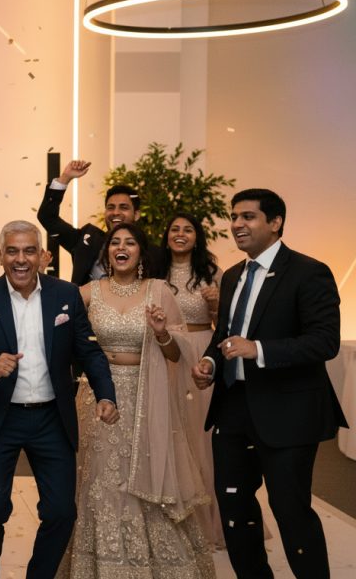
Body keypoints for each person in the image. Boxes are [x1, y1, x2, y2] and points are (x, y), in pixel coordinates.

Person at [192, 189, 347, 579]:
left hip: (287, 412)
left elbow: (324, 341)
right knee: (235, 512)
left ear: (275, 222)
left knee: (291, 511)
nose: (237, 225)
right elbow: (225, 335)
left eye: (248, 217)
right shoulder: (232, 276)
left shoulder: (309, 271)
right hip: (233, 410)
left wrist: (257, 349)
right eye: (234, 217)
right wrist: (210, 361)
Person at [0, 220, 118, 579]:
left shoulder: (65, 296)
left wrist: (106, 394)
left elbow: (89, 352)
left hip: (51, 419)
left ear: (42, 256)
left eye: (29, 250)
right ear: (0, 256)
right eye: (12, 251)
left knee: (61, 512)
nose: (21, 259)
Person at [68, 222, 214, 578]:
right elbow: (56, 316)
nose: (122, 247)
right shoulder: (90, 291)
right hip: (99, 396)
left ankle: (158, 563)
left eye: (130, 242)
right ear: (107, 253)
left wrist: (163, 333)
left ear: (140, 252)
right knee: (101, 479)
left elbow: (176, 355)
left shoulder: (158, 291)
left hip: (146, 396)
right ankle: (101, 564)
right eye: (115, 242)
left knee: (147, 473)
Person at [160, 212, 225, 547]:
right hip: (162, 354)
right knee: (168, 434)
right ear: (166, 235)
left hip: (199, 352)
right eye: (175, 229)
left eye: (188, 230)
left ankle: (207, 522)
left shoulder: (211, 273)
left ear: (197, 237)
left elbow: (227, 321)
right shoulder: (156, 270)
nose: (181, 234)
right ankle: (169, 520)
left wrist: (216, 306)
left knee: (199, 437)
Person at [37, 159, 164, 286]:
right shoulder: (87, 240)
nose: (116, 212)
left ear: (136, 214)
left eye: (123, 207)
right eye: (110, 207)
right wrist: (65, 178)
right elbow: (47, 217)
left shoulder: (155, 254)